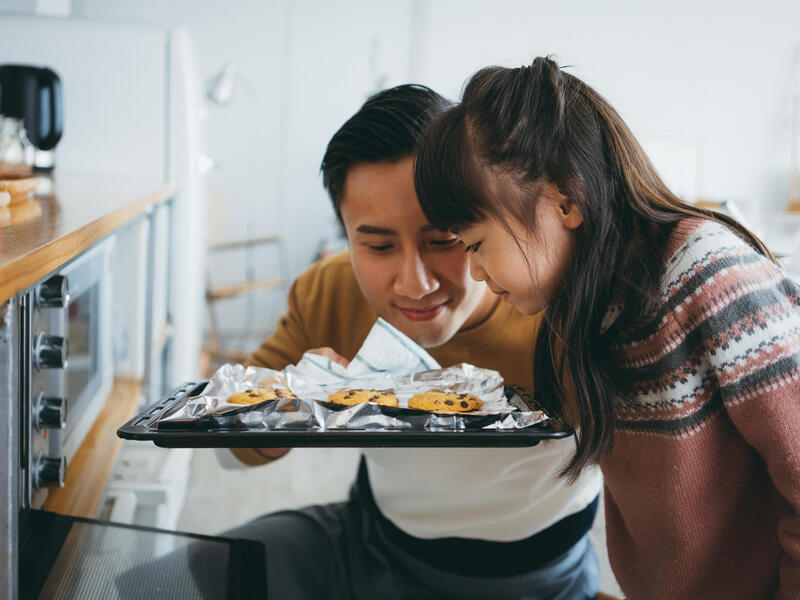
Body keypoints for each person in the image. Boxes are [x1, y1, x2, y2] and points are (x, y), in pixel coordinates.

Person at [412, 57, 800, 599]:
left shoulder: (710, 276)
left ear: (565, 201)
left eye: (476, 244)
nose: (474, 270)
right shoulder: (581, 307)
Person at [213, 84, 603, 599]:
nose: (414, 284)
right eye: (376, 245)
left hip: (539, 577)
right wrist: (295, 408)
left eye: (445, 240)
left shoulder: (563, 306)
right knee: (175, 580)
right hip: (370, 544)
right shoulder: (329, 292)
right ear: (345, 235)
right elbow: (223, 450)